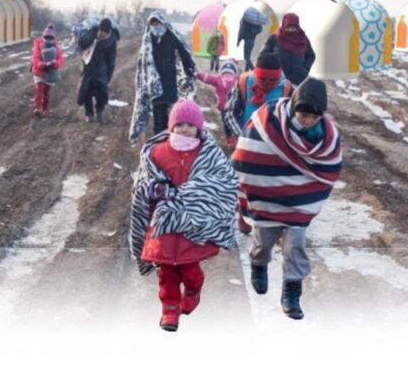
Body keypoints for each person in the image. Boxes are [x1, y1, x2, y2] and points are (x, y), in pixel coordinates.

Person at [231, 78, 342, 320]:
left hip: (299, 205)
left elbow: (329, 166)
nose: (308, 120)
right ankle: (258, 264)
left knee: (295, 245)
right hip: (267, 199)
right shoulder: (269, 122)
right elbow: (248, 152)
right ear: (293, 108)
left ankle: (291, 292)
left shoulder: (326, 135)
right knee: (264, 241)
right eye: (303, 115)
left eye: (314, 117)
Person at [129, 99, 238, 332]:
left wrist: (188, 194)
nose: (185, 129)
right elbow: (144, 182)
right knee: (166, 273)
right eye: (180, 124)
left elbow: (223, 183)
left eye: (191, 125)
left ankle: (192, 292)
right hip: (165, 226)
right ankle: (169, 309)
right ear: (171, 127)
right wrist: (155, 190)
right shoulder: (157, 152)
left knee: (191, 272)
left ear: (199, 128)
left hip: (192, 227)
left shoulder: (208, 154)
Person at [128, 12, 196, 144]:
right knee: (158, 114)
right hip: (154, 83)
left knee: (172, 112)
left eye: (157, 23)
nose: (155, 26)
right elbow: (142, 62)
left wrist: (188, 69)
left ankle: (172, 138)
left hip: (170, 81)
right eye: (152, 24)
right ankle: (159, 142)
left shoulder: (171, 36)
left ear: (163, 23)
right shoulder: (148, 39)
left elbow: (184, 53)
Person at [223, 53, 293, 151]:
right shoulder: (244, 82)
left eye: (272, 80)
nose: (267, 82)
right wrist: (243, 135)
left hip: (274, 146)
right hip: (245, 139)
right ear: (256, 74)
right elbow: (230, 112)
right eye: (263, 79)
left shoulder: (287, 88)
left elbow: (291, 120)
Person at [77, 18, 118, 123]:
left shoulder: (111, 40)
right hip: (88, 66)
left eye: (104, 32)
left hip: (101, 69)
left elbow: (112, 58)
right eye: (100, 31)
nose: (101, 34)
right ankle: (89, 113)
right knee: (86, 90)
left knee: (102, 92)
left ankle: (100, 112)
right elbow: (81, 43)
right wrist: (92, 36)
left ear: (108, 32)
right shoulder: (92, 32)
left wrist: (110, 73)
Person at [260, 12, 316, 85]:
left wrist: (304, 70)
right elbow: (264, 56)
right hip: (278, 80)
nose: (291, 30)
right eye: (288, 27)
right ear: (284, 26)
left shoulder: (303, 39)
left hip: (298, 80)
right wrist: (271, 69)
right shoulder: (275, 38)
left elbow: (311, 56)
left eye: (293, 28)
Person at [195, 59, 239, 140]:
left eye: (228, 73)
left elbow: (208, 78)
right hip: (233, 107)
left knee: (226, 124)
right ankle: (235, 136)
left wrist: (197, 75)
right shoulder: (236, 81)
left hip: (226, 108)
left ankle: (230, 138)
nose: (227, 75)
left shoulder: (219, 80)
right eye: (227, 73)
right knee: (234, 122)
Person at [32, 24, 64, 117]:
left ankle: (45, 109)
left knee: (46, 92)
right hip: (39, 71)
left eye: (51, 37)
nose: (49, 39)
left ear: (53, 37)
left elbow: (60, 58)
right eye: (47, 37)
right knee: (39, 89)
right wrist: (42, 65)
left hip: (50, 73)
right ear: (43, 36)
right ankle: (37, 108)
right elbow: (35, 58)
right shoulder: (38, 44)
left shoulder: (56, 46)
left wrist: (55, 64)